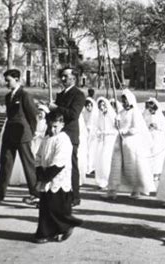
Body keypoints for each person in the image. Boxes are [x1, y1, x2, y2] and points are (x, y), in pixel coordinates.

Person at [0, 69, 39, 203]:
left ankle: (37, 194)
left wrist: (30, 134)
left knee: (28, 165)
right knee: (5, 164)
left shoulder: (25, 95)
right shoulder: (8, 96)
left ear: (17, 79)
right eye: (6, 80)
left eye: (8, 80)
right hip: (9, 135)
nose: (6, 83)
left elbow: (33, 117)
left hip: (23, 136)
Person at [34, 111, 83, 244]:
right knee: (45, 207)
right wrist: (39, 170)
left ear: (62, 124)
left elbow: (59, 161)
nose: (52, 129)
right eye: (50, 126)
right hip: (46, 178)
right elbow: (38, 156)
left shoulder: (63, 139)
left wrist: (48, 175)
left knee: (56, 207)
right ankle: (44, 232)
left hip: (57, 178)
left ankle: (66, 226)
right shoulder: (45, 139)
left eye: (55, 126)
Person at [107, 89, 155, 199]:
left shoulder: (135, 113)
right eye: (123, 100)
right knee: (116, 165)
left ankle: (136, 190)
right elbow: (116, 126)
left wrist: (124, 131)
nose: (124, 103)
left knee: (132, 166)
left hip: (131, 142)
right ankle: (113, 190)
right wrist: (117, 123)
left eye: (126, 100)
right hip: (120, 142)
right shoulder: (121, 112)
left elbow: (136, 129)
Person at [49, 67, 86, 207]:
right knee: (56, 165)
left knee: (71, 165)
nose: (63, 79)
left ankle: (75, 197)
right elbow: (56, 115)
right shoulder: (61, 94)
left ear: (74, 78)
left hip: (70, 134)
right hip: (58, 133)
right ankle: (56, 196)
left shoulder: (78, 95)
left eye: (66, 76)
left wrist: (56, 108)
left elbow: (73, 114)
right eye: (62, 76)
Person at [94, 97, 117, 189]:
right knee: (99, 160)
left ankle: (108, 180)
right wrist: (98, 132)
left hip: (110, 140)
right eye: (100, 105)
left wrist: (106, 132)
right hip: (101, 140)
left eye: (103, 105)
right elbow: (97, 127)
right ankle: (101, 181)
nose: (102, 107)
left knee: (106, 160)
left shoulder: (112, 115)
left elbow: (116, 130)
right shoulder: (99, 116)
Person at [143, 98, 165, 181]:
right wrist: (147, 126)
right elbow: (142, 124)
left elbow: (164, 127)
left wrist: (157, 127)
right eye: (149, 108)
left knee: (157, 154)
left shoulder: (159, 115)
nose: (151, 110)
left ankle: (157, 172)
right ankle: (150, 172)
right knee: (149, 153)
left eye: (152, 109)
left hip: (158, 136)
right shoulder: (145, 114)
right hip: (149, 135)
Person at [82, 97, 101, 174]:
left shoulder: (96, 114)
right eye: (87, 106)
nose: (88, 107)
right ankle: (87, 167)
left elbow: (98, 125)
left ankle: (93, 167)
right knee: (87, 150)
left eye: (90, 105)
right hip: (86, 134)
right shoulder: (85, 113)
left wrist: (93, 130)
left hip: (94, 135)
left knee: (93, 151)